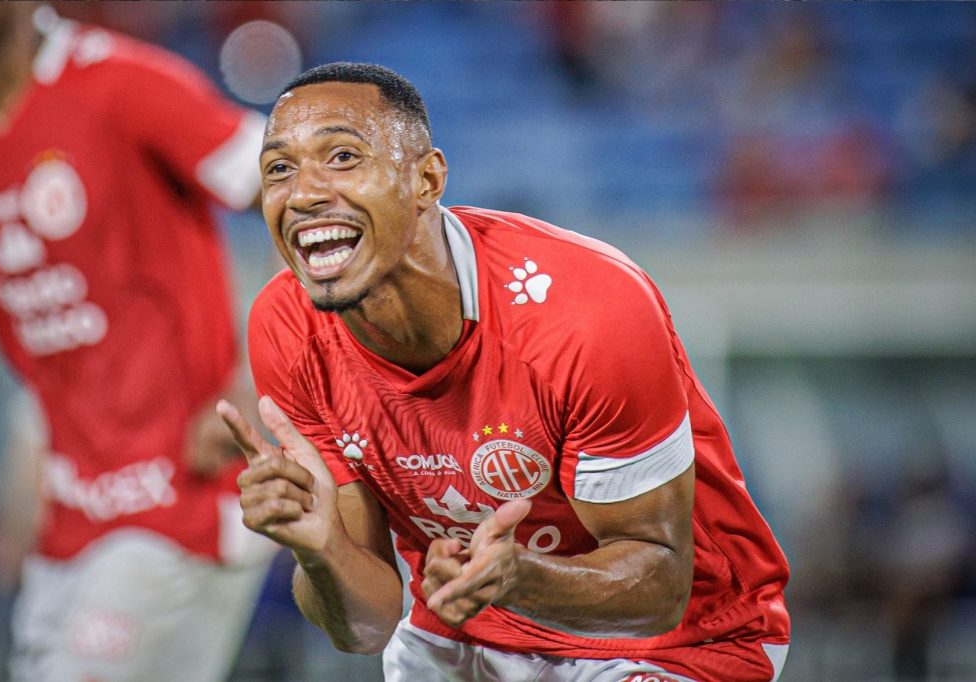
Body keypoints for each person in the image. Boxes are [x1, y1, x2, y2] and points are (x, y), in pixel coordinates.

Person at [218, 61, 791, 682]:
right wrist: (320, 549)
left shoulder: (586, 311)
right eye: (279, 169)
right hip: (461, 637)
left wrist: (519, 577)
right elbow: (367, 626)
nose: (303, 193)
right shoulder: (286, 328)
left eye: (342, 157)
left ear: (426, 179)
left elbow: (661, 589)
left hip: (684, 644)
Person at [0, 3, 276, 680]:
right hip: (67, 524)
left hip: (183, 504)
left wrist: (265, 381)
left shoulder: (126, 84)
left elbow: (315, 194)